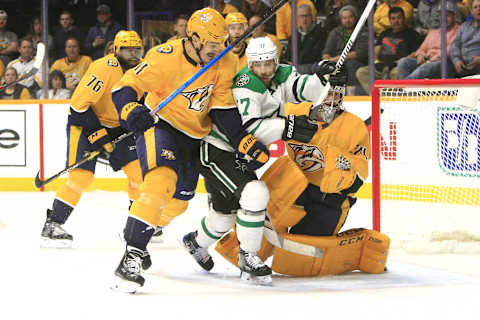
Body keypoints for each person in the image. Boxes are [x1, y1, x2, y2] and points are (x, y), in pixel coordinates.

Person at [110, 8, 271, 293]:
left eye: (220, 42)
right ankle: (131, 256)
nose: (216, 48)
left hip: (194, 138)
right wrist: (130, 108)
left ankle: (137, 226)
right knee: (161, 182)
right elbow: (126, 86)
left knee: (178, 203)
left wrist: (242, 140)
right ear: (193, 38)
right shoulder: (164, 56)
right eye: (210, 43)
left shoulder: (224, 61)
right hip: (161, 125)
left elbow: (223, 110)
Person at [182, 36, 340, 284]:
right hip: (217, 150)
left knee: (224, 216)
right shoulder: (245, 83)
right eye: (259, 65)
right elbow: (252, 129)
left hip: (238, 152)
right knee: (255, 193)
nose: (265, 70)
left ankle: (196, 242)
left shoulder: (281, 74)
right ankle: (248, 256)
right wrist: (288, 127)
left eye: (270, 63)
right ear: (250, 64)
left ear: (276, 61)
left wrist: (320, 78)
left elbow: (298, 89)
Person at [215, 66, 388, 278]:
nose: (332, 101)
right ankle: (248, 247)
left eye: (337, 94)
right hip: (294, 185)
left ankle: (354, 250)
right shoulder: (294, 112)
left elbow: (359, 177)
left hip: (329, 197)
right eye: (327, 93)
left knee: (300, 264)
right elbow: (256, 122)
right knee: (273, 192)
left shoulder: (355, 127)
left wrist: (341, 166)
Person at [40, 31, 144, 248]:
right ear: (116, 50)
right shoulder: (103, 68)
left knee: (138, 174)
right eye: (128, 50)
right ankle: (53, 224)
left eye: (137, 50)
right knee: (81, 177)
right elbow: (78, 107)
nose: (133, 55)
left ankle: (137, 225)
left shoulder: (144, 69)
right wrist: (98, 135)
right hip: (87, 122)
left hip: (119, 126)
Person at [356, 7, 421, 92]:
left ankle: (391, 99)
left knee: (396, 73)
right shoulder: (384, 33)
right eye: (393, 18)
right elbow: (376, 50)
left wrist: (396, 63)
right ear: (389, 20)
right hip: (382, 66)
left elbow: (414, 53)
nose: (396, 21)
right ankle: (377, 97)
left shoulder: (413, 34)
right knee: (361, 72)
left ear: (404, 19)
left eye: (399, 18)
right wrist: (376, 62)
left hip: (398, 66)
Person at [397, 1, 460, 79]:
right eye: (441, 15)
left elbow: (450, 51)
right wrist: (421, 55)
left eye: (447, 15)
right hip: (429, 61)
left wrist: (430, 58)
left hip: (447, 65)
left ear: (454, 16)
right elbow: (422, 48)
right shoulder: (433, 32)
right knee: (403, 62)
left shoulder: (459, 31)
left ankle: (404, 87)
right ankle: (408, 87)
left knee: (426, 67)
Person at [322, 5, 368, 95]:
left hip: (357, 62)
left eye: (350, 17)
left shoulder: (363, 31)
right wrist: (327, 60)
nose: (347, 20)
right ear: (341, 20)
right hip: (337, 61)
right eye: (344, 18)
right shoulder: (335, 32)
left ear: (355, 18)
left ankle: (351, 93)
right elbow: (326, 51)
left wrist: (334, 60)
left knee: (350, 65)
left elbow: (358, 53)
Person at [283, 4, 328, 74]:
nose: (304, 19)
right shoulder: (294, 35)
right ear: (297, 18)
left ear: (312, 16)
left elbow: (315, 55)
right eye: (301, 16)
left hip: (313, 70)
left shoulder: (321, 33)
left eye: (306, 15)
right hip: (295, 70)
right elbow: (288, 57)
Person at [448, 0, 480, 77]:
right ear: (472, 11)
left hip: (478, 66)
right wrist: (456, 60)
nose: (479, 9)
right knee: (433, 67)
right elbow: (455, 45)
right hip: (461, 65)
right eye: (475, 7)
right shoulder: (464, 26)